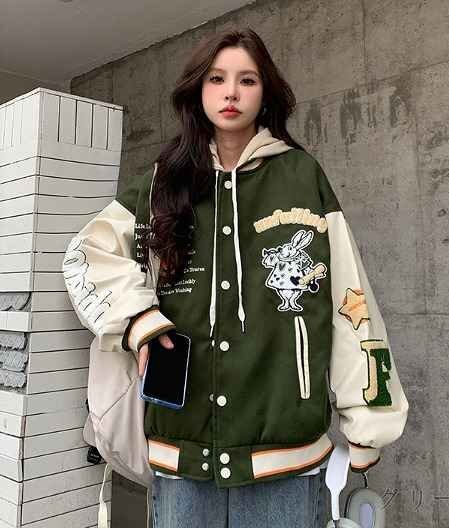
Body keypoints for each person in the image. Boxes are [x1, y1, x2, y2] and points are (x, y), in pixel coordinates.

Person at [63, 27, 409, 528]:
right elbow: (87, 253)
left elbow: (350, 298)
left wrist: (368, 422)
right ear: (197, 91)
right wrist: (139, 319)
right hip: (181, 454)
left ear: (265, 92)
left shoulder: (302, 176)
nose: (231, 92)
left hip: (286, 458)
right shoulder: (163, 180)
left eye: (247, 80)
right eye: (216, 79)